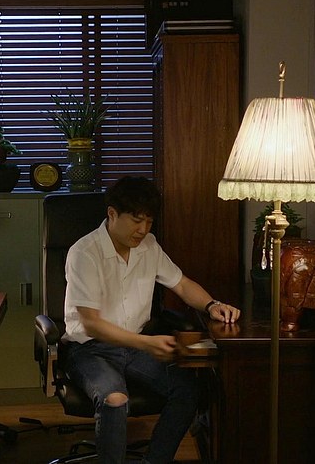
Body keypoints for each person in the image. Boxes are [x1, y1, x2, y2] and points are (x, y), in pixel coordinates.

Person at [61, 176, 240, 463]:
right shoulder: (84, 253)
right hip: (90, 349)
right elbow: (92, 323)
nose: (143, 230)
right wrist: (146, 343)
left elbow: (182, 284)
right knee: (115, 399)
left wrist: (212, 305)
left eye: (149, 221)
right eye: (136, 221)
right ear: (112, 214)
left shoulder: (149, 246)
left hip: (134, 347)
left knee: (188, 390)